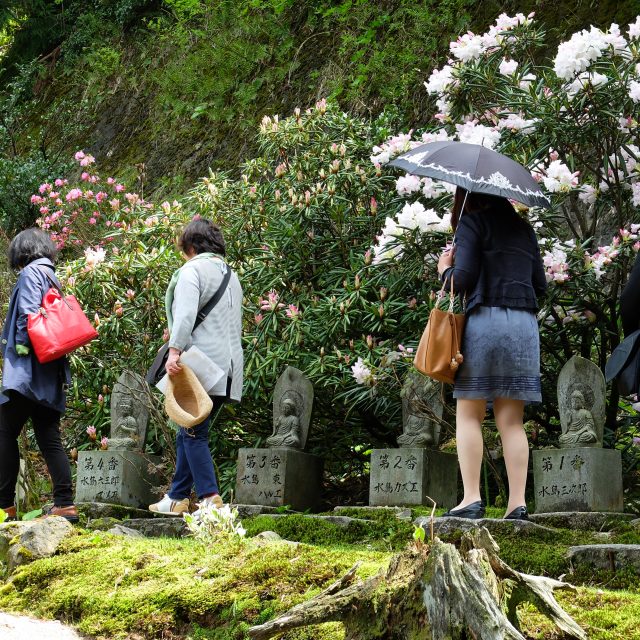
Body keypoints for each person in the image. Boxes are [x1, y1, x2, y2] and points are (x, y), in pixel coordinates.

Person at [437, 188, 547, 521]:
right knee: (511, 421)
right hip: (524, 327)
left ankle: (471, 499)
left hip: (486, 322)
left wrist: (445, 268)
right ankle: (517, 504)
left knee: (469, 413)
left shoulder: (473, 223)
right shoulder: (524, 230)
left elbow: (463, 278)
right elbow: (539, 285)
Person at [149, 218, 243, 516]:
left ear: (190, 246)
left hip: (200, 365)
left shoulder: (192, 270)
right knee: (188, 428)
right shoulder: (231, 275)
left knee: (193, 433)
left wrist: (173, 351)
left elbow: (187, 314)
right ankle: (176, 497)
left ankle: (209, 498)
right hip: (228, 368)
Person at [0, 228, 77, 522]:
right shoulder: (50, 274)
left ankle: (4, 506)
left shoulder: (31, 273)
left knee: (5, 430)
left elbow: (29, 314)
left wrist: (19, 344)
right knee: (48, 435)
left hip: (29, 368)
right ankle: (64, 504)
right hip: (49, 369)